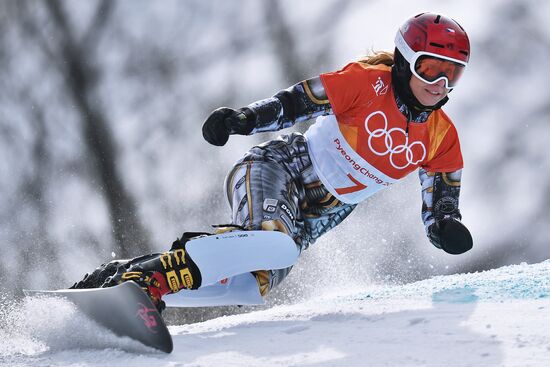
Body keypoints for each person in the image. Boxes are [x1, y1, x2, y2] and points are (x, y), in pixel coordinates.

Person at [72, 12, 473, 312]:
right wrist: (243, 119)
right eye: (430, 68)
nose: (439, 85)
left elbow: (440, 208)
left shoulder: (442, 137)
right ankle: (149, 283)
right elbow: (295, 102)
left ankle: (123, 276)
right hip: (282, 169)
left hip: (319, 217)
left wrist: (445, 229)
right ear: (404, 61)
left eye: (451, 74)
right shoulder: (368, 83)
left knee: (250, 283)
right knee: (272, 244)